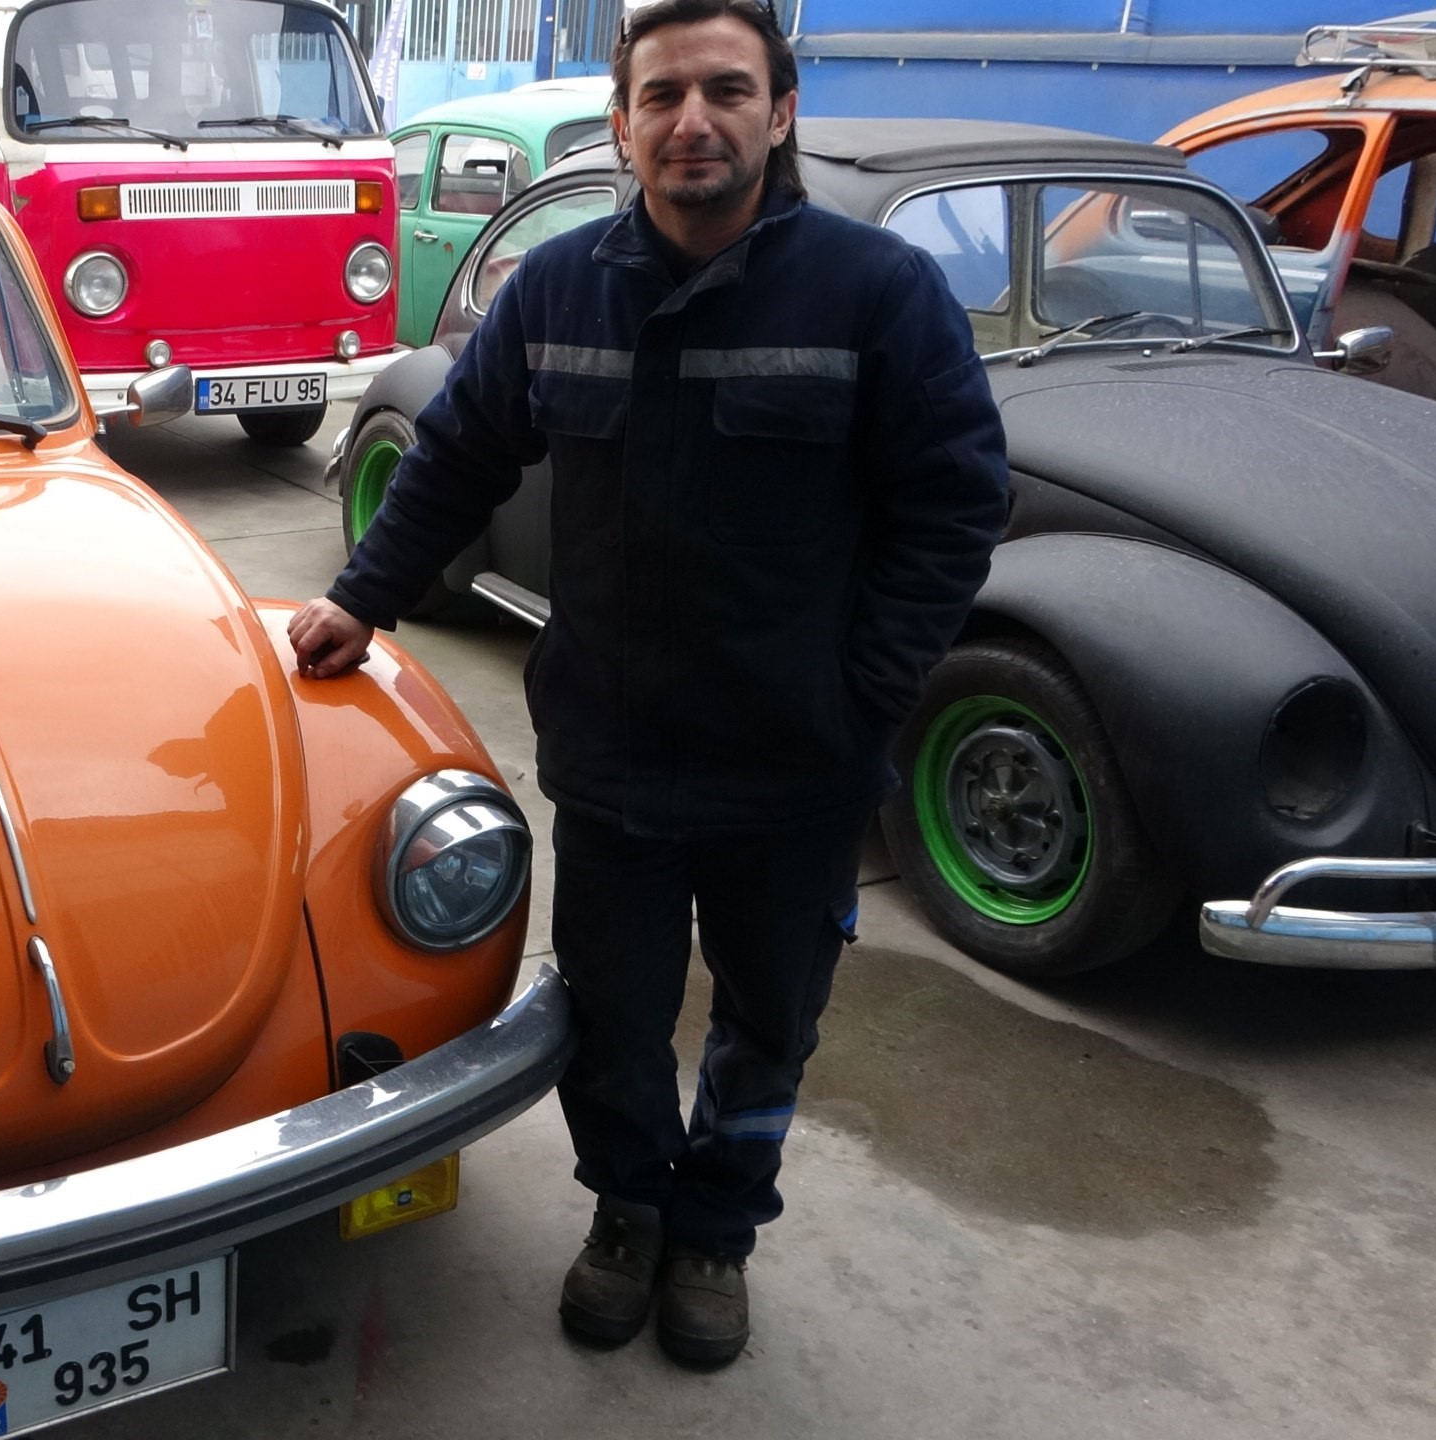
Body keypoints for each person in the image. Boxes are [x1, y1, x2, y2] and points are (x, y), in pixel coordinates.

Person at [286, 0, 1008, 1367]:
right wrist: (360, 599)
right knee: (614, 1015)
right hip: (614, 753)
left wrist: (866, 689)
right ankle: (627, 1211)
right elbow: (458, 455)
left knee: (769, 1020)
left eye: (726, 90)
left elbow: (956, 502)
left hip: (795, 765)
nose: (694, 121)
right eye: (662, 95)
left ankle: (717, 1230)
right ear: (621, 125)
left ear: (780, 113)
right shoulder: (556, 292)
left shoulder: (876, 293)